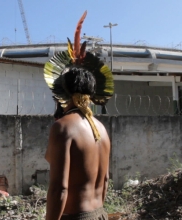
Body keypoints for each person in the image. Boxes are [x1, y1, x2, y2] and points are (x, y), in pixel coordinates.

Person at [43, 11, 114, 220]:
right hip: (100, 214)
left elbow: (59, 189)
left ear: (62, 94)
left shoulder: (63, 127)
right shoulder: (100, 128)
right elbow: (106, 180)